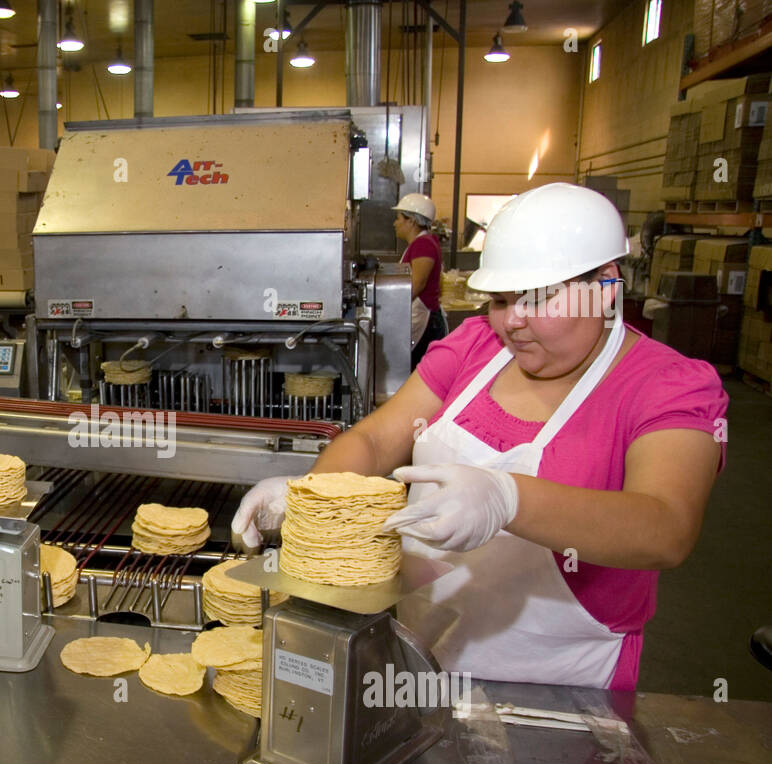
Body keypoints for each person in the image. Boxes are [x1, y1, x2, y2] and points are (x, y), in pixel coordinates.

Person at [232, 183, 728, 691]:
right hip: (418, 658)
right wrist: (315, 494)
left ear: (606, 285)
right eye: (500, 299)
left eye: (539, 298)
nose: (513, 321)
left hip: (559, 684)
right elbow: (378, 440)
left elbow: (666, 528)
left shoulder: (667, 385)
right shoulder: (476, 346)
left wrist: (508, 499)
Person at [392, 192, 447, 368]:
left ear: (412, 221)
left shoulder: (423, 244)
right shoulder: (421, 243)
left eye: (398, 218)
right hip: (422, 316)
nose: (395, 223)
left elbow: (418, 283)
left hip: (425, 320)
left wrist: (393, 311)